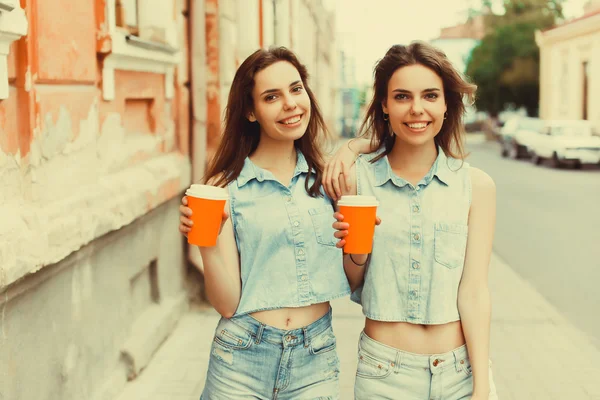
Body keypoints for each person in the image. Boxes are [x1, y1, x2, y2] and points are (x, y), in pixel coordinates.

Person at [324, 41, 499, 399]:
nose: (417, 109)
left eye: (430, 96)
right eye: (402, 97)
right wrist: (357, 251)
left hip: (457, 374)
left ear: (447, 104)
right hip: (383, 374)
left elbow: (475, 292)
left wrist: (481, 385)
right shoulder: (358, 180)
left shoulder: (476, 187)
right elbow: (352, 279)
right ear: (385, 105)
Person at [178, 47, 350, 399]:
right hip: (241, 357)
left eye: (296, 89)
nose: (290, 103)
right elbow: (227, 304)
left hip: (315, 359)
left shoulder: (329, 180)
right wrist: (205, 244)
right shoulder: (222, 189)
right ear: (251, 112)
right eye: (272, 96)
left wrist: (354, 148)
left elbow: (394, 139)